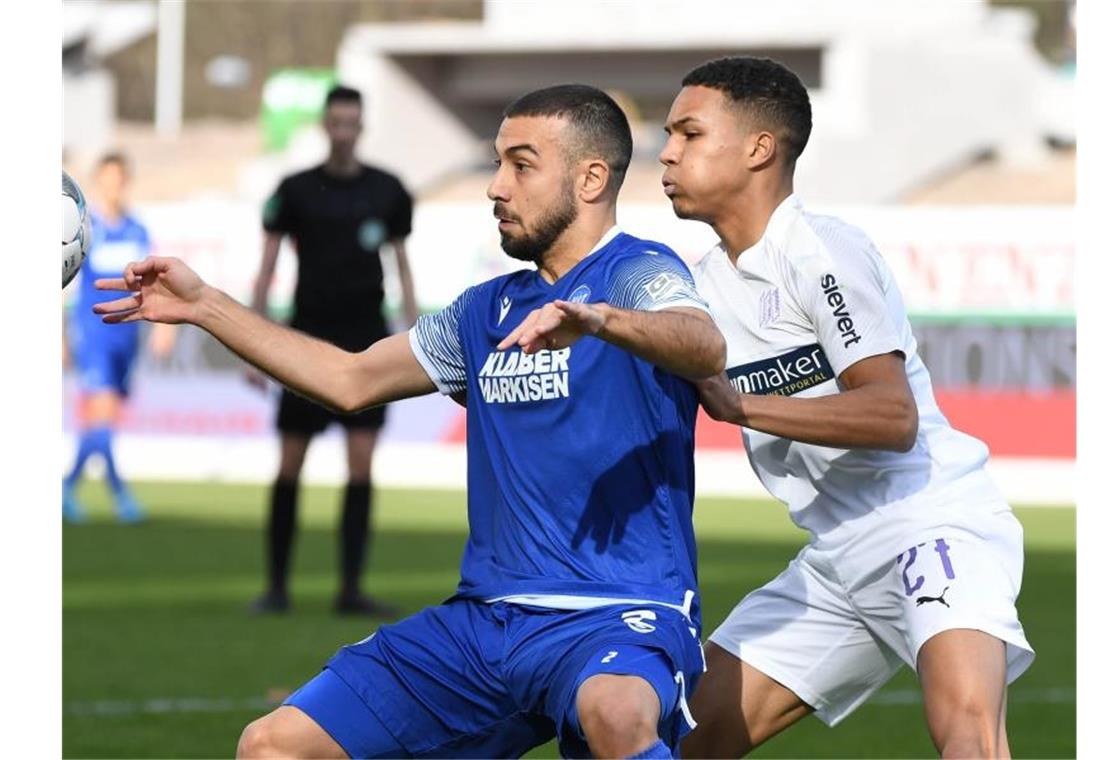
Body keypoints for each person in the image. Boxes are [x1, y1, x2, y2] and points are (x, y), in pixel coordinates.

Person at [95, 84, 726, 759]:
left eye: (520, 164)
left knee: (616, 717)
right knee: (272, 745)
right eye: (496, 163)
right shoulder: (484, 310)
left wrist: (599, 319)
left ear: (591, 177)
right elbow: (348, 379)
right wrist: (205, 306)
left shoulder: (636, 272)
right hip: (485, 622)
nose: (495, 187)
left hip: (616, 616)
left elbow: (701, 342)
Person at [658, 56, 1035, 759]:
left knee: (968, 738)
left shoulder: (821, 251)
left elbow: (893, 418)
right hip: (837, 558)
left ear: (758, 149)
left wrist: (742, 405)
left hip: (933, 525)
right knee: (673, 740)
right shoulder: (697, 286)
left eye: (688, 132)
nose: (666, 151)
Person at [249, 84, 419, 616]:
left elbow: (401, 262)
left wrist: (413, 329)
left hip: (366, 340)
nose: (344, 132)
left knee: (362, 465)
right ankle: (276, 586)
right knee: (290, 463)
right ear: (325, 126)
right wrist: (253, 343)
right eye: (336, 122)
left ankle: (350, 588)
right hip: (305, 341)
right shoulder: (295, 189)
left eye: (352, 123)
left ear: (361, 127)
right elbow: (269, 263)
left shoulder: (388, 190)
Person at [63, 152, 175, 523]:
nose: (114, 186)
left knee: (102, 421)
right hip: (94, 333)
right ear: (98, 182)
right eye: (107, 179)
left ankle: (68, 488)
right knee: (102, 414)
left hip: (127, 337)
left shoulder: (138, 230)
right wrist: (60, 335)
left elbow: (155, 284)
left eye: (119, 179)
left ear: (126, 182)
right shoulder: (82, 227)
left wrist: (163, 326)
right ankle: (119, 494)